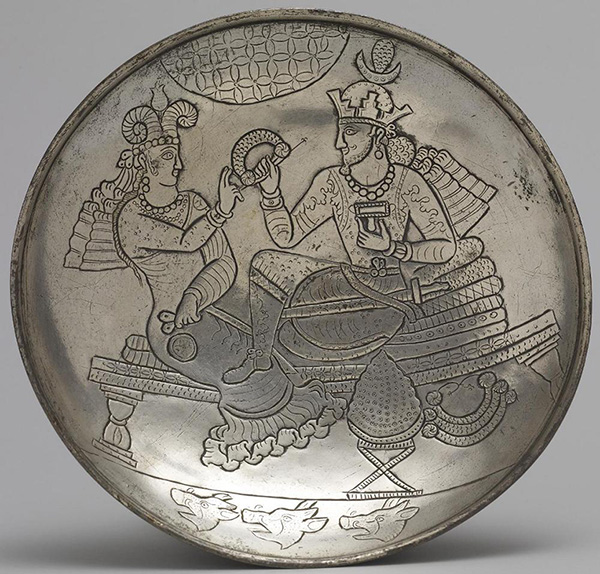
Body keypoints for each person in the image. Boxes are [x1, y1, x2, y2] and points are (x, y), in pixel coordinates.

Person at [224, 80, 457, 384]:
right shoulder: (332, 182)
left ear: (376, 135)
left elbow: (446, 247)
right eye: (340, 131)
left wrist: (394, 248)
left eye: (350, 132)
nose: (339, 143)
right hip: (348, 282)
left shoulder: (407, 182)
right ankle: (260, 358)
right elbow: (286, 236)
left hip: (387, 295)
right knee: (265, 262)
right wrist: (271, 193)